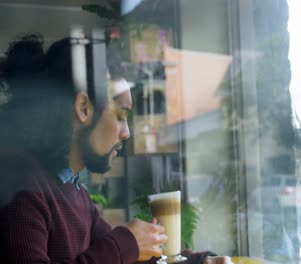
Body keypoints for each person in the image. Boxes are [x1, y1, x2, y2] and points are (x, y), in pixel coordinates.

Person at [0, 34, 230, 264]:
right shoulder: (20, 183)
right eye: (120, 116)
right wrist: (122, 245)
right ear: (83, 108)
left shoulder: (75, 192)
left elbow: (123, 258)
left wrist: (199, 261)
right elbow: (115, 253)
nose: (126, 133)